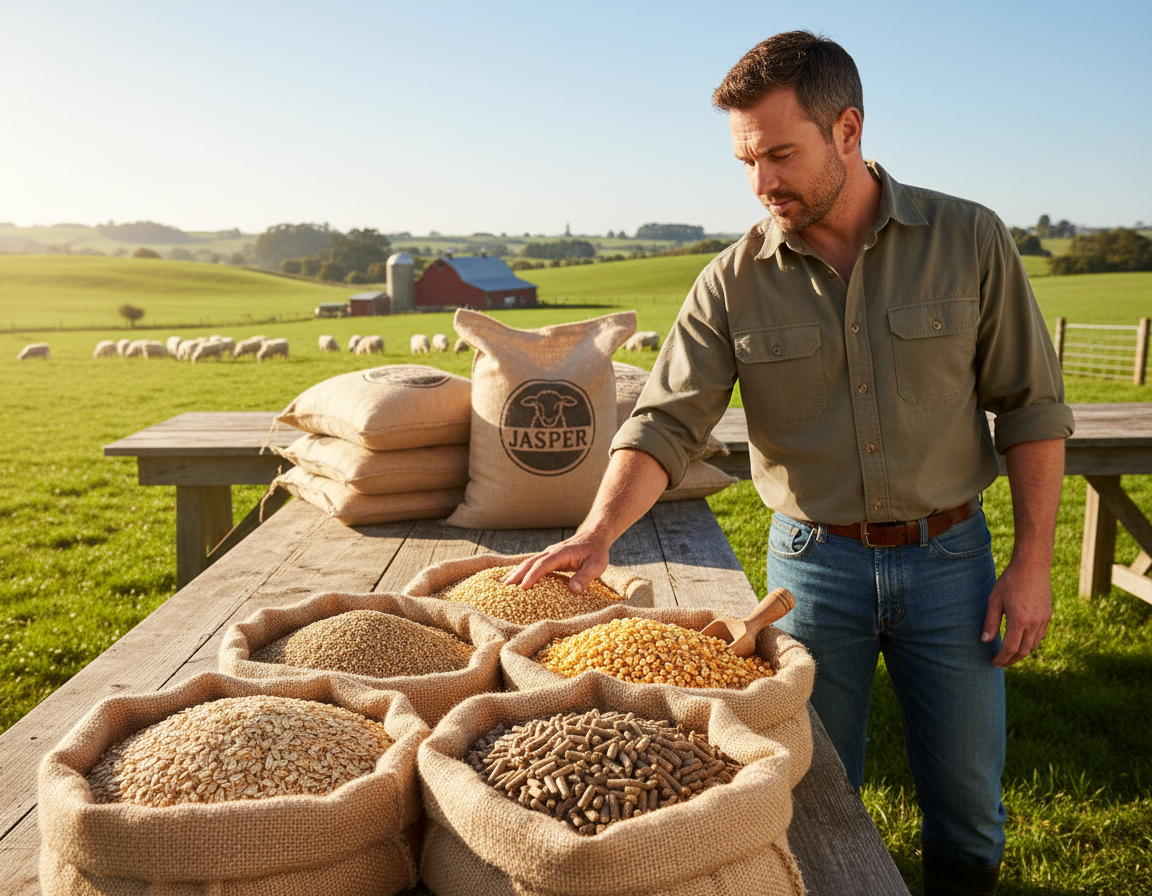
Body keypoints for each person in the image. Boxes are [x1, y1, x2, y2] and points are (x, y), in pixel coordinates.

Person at [505, 30, 1073, 896]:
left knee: (968, 804)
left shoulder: (970, 238)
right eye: (745, 160)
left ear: (848, 130)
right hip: (813, 572)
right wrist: (597, 533)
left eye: (780, 153)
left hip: (952, 562)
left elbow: (1030, 408)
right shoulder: (731, 281)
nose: (762, 181)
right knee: (807, 792)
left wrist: (1032, 564)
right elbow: (665, 424)